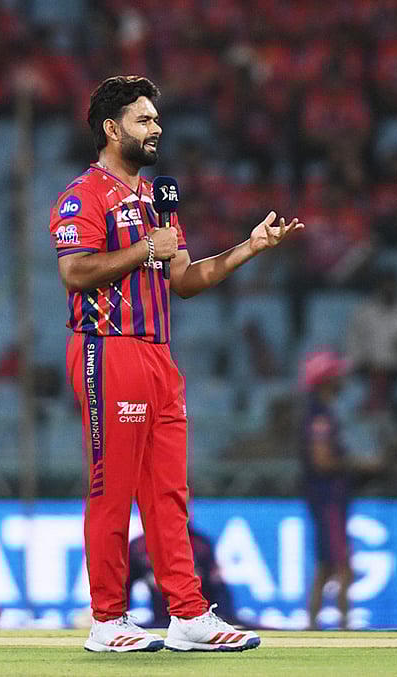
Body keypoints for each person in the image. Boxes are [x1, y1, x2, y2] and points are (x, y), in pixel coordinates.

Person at [50, 75, 304, 653]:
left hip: (161, 356)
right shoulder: (82, 196)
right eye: (144, 120)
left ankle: (187, 613)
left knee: (169, 492)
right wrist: (145, 250)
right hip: (108, 348)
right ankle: (107, 620)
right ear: (113, 129)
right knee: (112, 490)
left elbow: (185, 279)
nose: (156, 128)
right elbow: (74, 273)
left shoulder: (155, 200)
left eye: (157, 119)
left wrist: (249, 247)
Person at [301, 351, 381, 630]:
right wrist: (360, 464)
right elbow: (322, 461)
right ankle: (345, 626)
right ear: (326, 380)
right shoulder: (320, 417)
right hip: (328, 499)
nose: (342, 379)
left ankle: (313, 626)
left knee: (326, 564)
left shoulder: (323, 413)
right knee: (342, 564)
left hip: (329, 498)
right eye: (336, 375)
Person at [126, 523, 239, 629]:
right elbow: (126, 584)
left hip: (200, 617)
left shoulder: (200, 544)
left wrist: (224, 617)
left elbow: (217, 584)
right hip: (161, 620)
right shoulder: (139, 547)